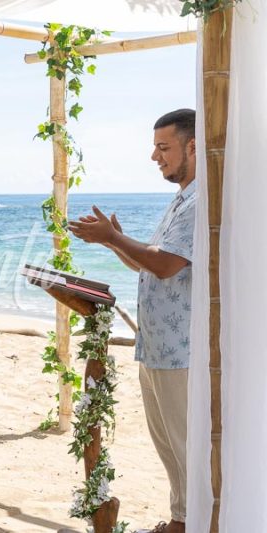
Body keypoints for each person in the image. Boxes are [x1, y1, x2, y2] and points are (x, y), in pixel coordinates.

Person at [68, 109, 196, 533]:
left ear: (193, 147)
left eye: (164, 147)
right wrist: (113, 244)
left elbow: (167, 265)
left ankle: (190, 521)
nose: (154, 156)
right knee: (169, 447)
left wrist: (113, 237)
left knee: (185, 445)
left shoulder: (201, 201)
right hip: (157, 347)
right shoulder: (180, 199)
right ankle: (180, 518)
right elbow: (148, 264)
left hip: (182, 351)